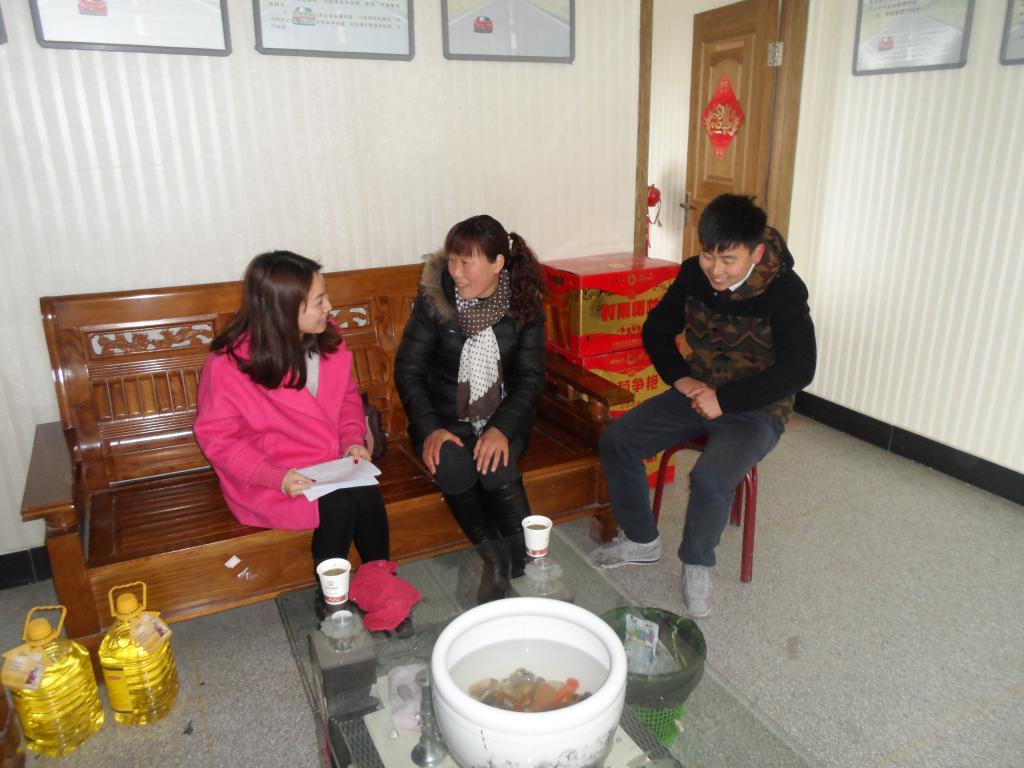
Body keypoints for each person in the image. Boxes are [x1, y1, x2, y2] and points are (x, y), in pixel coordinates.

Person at [590, 194, 816, 618]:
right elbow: (656, 329)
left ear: (756, 253)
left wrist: (725, 400)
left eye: (728, 259)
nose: (715, 269)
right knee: (618, 439)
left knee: (711, 478)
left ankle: (696, 563)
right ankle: (641, 540)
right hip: (697, 392)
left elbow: (801, 368)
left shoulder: (785, 290)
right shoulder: (694, 274)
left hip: (757, 407)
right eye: (709, 254)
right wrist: (682, 378)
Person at [194, 250, 389, 619]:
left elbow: (348, 398)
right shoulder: (231, 364)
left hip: (329, 462)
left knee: (364, 489)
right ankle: (332, 598)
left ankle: (381, 583)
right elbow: (219, 438)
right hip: (271, 477)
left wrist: (352, 440)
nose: (329, 307)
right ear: (284, 309)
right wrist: (274, 476)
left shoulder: (328, 339)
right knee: (338, 502)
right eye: (319, 300)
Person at [395, 214, 546, 599]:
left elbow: (530, 378)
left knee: (496, 462)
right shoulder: (436, 301)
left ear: (498, 263)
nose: (456, 272)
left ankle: (528, 565)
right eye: (452, 260)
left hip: (503, 417)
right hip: (443, 420)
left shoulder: (523, 303)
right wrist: (430, 428)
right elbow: (409, 369)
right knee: (452, 462)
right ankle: (493, 557)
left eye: (467, 261)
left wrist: (501, 428)